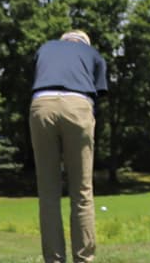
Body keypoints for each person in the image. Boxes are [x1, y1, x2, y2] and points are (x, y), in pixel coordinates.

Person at [29, 30, 108, 263]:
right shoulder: (92, 53)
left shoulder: (45, 47)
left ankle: (54, 260)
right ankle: (84, 259)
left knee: (48, 193)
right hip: (78, 104)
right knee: (82, 192)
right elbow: (99, 94)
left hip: (41, 104)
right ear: (84, 42)